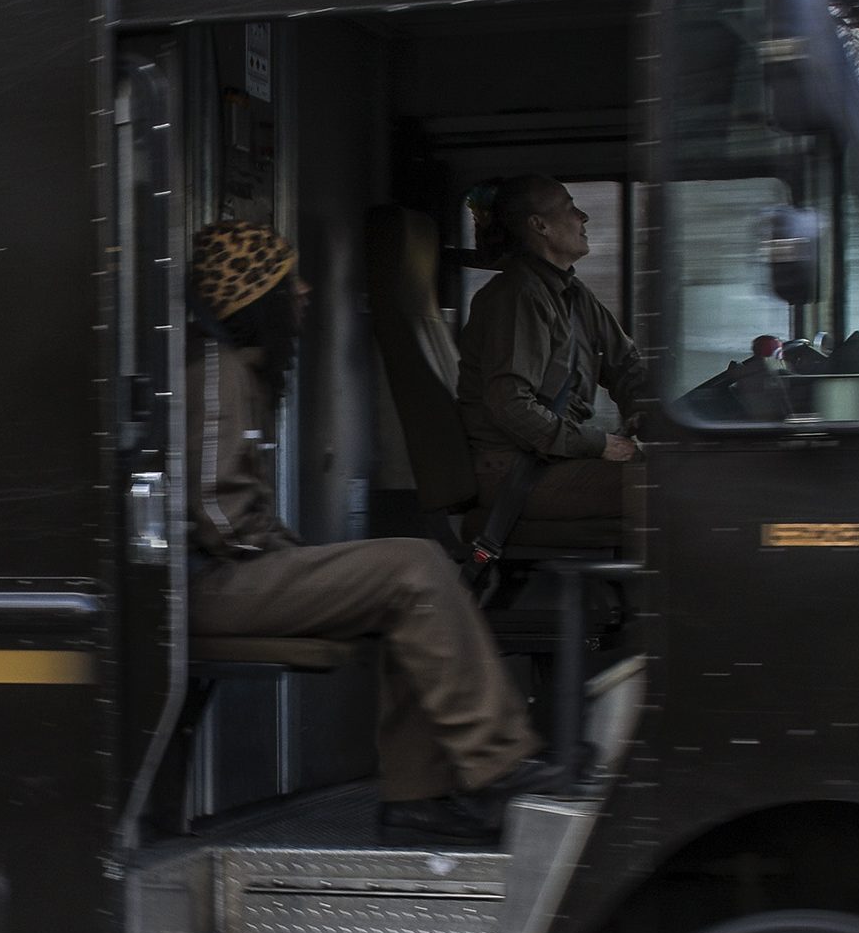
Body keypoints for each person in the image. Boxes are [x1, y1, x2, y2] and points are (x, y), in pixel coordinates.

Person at [184, 219, 570, 845]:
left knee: (418, 583)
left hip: (235, 575)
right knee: (413, 566)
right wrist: (286, 560)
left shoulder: (238, 372)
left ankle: (417, 797)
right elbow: (219, 513)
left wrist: (299, 563)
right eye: (288, 279)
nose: (304, 290)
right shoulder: (218, 369)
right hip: (206, 586)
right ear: (254, 294)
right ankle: (498, 765)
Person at [456, 175, 645, 538]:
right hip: (517, 472)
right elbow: (510, 404)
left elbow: (625, 365)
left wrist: (647, 410)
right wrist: (598, 444)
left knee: (682, 472)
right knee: (670, 489)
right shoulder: (517, 297)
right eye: (571, 208)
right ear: (539, 225)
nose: (583, 217)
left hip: (550, 460)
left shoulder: (573, 294)